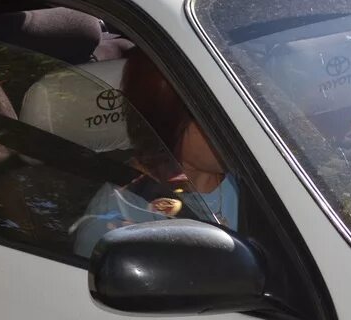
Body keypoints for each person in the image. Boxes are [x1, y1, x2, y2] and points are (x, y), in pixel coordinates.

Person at [71, 51, 238, 258]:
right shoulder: (117, 217)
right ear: (166, 118)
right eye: (214, 116)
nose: (236, 125)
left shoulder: (252, 173)